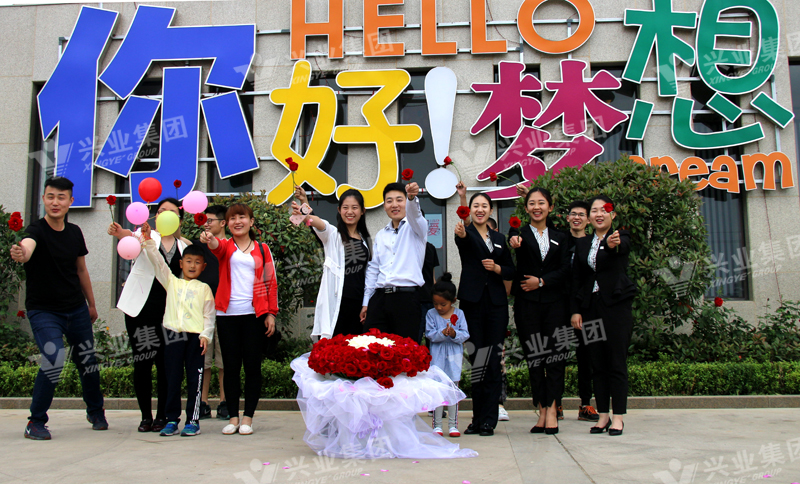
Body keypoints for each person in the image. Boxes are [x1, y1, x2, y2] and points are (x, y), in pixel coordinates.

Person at [11, 177, 106, 440]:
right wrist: (22, 253)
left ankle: (96, 412)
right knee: (54, 357)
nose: (55, 202)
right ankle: (36, 421)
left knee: (87, 360)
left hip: (76, 308)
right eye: (50, 196)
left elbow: (81, 270)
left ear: (70, 201)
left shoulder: (75, 232)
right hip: (44, 311)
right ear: (43, 198)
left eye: (61, 197)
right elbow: (27, 247)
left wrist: (92, 304)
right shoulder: (36, 230)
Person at [109, 197, 190, 433]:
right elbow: (128, 236)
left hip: (169, 314)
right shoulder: (145, 236)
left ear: (179, 220)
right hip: (141, 311)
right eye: (161, 211)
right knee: (142, 362)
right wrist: (119, 232)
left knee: (167, 364)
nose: (165, 215)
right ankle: (146, 416)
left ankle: (163, 415)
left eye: (171, 212)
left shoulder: (184, 246)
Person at [200, 203, 278, 435]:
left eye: (242, 217)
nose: (237, 222)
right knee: (231, 367)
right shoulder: (225, 246)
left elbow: (270, 282)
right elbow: (215, 246)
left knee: (252, 368)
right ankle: (233, 417)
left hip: (254, 315)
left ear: (251, 222)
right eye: (233, 218)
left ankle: (248, 418)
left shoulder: (262, 249)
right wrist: (209, 238)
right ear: (227, 223)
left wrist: (271, 313)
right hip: (227, 315)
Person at [140, 222, 215, 437]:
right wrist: (148, 240)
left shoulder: (204, 289)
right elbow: (158, 262)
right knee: (172, 379)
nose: (192, 266)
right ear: (181, 263)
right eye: (188, 261)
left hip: (195, 339)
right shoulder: (171, 282)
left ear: (203, 266)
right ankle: (171, 419)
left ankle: (193, 421)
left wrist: (205, 335)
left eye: (197, 263)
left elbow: (209, 315)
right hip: (172, 336)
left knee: (194, 380)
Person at [570, 196, 637, 436]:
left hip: (616, 308)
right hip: (590, 308)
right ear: (589, 218)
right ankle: (603, 416)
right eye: (594, 211)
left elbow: (620, 248)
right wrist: (576, 310)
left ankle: (618, 417)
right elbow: (577, 279)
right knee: (596, 364)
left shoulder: (620, 236)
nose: (599, 214)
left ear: (612, 215)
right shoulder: (583, 243)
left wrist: (609, 244)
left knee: (616, 362)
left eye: (604, 210)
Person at [509, 188, 571, 435]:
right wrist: (514, 241)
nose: (537, 207)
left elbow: (566, 269)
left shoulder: (561, 236)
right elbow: (513, 240)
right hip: (528, 306)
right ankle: (542, 409)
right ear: (526, 208)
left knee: (556, 357)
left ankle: (553, 408)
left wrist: (542, 282)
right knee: (535, 358)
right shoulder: (519, 234)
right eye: (532, 203)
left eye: (541, 203)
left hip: (556, 305)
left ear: (550, 207)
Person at [454, 191, 514, 437]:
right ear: (471, 210)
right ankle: (477, 419)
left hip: (496, 305)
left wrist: (497, 268)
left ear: (491, 210)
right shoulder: (465, 233)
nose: (480, 209)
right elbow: (467, 240)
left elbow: (510, 269)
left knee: (492, 361)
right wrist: (462, 203)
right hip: (472, 304)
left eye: (484, 206)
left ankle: (489, 420)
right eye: (475, 206)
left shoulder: (499, 238)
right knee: (477, 360)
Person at [293, 186, 371, 339]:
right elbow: (316, 222)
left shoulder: (365, 241)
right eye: (345, 207)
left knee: (356, 347)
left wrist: (366, 304)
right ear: (339, 210)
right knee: (334, 347)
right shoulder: (333, 235)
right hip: (337, 304)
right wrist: (303, 208)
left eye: (355, 207)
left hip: (358, 306)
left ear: (362, 211)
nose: (350, 212)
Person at [360, 182, 427, 341]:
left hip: (406, 299)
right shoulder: (381, 235)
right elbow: (373, 269)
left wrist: (412, 198)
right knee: (370, 345)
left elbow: (415, 214)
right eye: (389, 201)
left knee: (404, 350)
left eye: (399, 200)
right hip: (380, 298)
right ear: (384, 206)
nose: (394, 205)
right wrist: (366, 302)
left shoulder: (417, 228)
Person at [565, 200, 598, 422]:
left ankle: (586, 404)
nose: (577, 218)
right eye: (573, 214)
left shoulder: (593, 243)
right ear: (567, 217)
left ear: (588, 219)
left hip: (585, 307)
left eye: (581, 215)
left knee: (587, 356)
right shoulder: (559, 239)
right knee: (555, 355)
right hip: (559, 304)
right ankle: (555, 404)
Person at [425, 273, 469, 438]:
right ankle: (437, 425)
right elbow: (429, 334)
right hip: (437, 357)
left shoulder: (460, 314)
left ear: (453, 301)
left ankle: (452, 425)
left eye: (443, 304)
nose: (439, 308)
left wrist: (453, 334)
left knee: (452, 390)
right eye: (435, 303)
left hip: (454, 358)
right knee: (437, 391)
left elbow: (465, 334)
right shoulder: (431, 314)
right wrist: (442, 333)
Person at [196, 205, 228, 421]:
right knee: (204, 358)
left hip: (226, 309)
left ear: (223, 223)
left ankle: (225, 401)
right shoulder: (200, 245)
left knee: (224, 359)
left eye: (211, 220)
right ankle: (203, 402)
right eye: (204, 220)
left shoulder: (231, 246)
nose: (206, 224)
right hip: (203, 309)